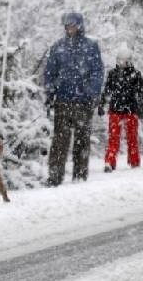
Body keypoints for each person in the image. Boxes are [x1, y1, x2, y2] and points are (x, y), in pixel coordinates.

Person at [43, 12, 104, 186]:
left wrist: (92, 91)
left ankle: (80, 175)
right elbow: (49, 72)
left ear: (80, 26)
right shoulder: (58, 47)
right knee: (59, 141)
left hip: (83, 102)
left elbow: (97, 72)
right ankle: (55, 176)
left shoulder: (90, 46)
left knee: (82, 140)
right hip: (62, 100)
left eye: (73, 25)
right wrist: (49, 91)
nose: (70, 28)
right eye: (67, 25)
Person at [98, 45, 143, 172]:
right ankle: (109, 161)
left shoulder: (136, 74)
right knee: (113, 138)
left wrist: (142, 105)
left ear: (129, 60)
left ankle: (134, 161)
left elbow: (141, 92)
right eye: (119, 60)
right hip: (115, 110)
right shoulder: (113, 74)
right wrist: (101, 104)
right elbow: (107, 91)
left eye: (124, 60)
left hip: (131, 110)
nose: (122, 63)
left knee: (132, 137)